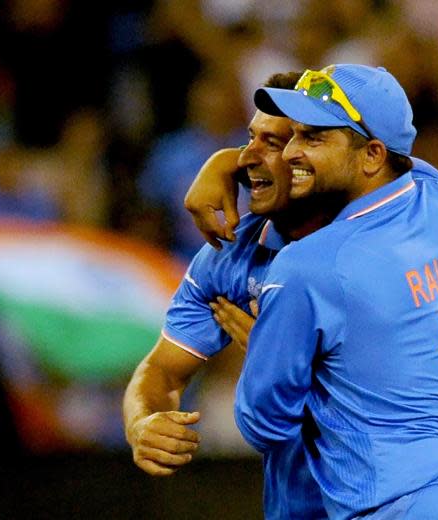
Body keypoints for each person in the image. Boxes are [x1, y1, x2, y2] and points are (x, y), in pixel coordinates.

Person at [229, 64, 438, 519]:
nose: (291, 153)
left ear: (372, 154)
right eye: (292, 135)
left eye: (313, 138)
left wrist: (271, 344)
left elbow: (261, 424)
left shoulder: (307, 267)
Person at [123, 72, 332, 519]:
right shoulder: (229, 255)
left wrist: (280, 355)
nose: (247, 157)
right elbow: (160, 370)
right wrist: (144, 419)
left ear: (312, 155)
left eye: (271, 143)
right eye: (248, 139)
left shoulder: (382, 240)